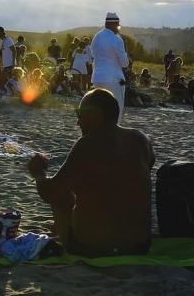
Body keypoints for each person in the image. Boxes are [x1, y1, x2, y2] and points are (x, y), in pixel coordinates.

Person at [27, 88, 154, 256]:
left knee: (61, 196)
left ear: (96, 114)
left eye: (80, 113)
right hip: (140, 246)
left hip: (94, 248)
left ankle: (69, 231)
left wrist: (39, 173)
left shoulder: (87, 144)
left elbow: (49, 193)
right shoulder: (140, 139)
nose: (77, 122)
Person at [90, 13, 130, 123]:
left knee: (100, 108)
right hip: (113, 79)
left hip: (98, 78)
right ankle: (114, 131)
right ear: (113, 24)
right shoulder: (116, 39)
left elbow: (92, 55)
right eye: (118, 25)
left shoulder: (97, 36)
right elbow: (124, 63)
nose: (118, 28)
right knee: (116, 108)